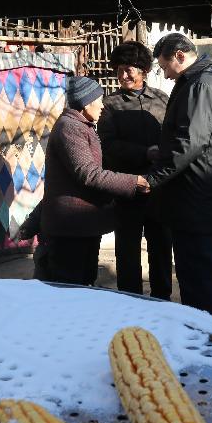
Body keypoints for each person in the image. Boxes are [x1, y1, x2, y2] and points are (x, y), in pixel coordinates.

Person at [143, 33, 212, 318]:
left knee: (197, 279)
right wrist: (161, 151)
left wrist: (154, 178)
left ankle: (207, 343)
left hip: (198, 197)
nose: (165, 74)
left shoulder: (202, 85)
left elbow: (190, 143)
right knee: (205, 277)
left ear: (180, 56)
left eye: (165, 67)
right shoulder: (202, 81)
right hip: (200, 194)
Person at [41, 75, 149, 286]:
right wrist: (132, 181)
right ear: (85, 103)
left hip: (82, 226)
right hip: (70, 229)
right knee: (70, 289)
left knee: (84, 284)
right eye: (99, 101)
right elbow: (88, 174)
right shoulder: (70, 128)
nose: (102, 107)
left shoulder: (82, 126)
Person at [97, 41, 173, 300]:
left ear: (143, 70)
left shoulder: (162, 100)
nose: (124, 75)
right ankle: (130, 299)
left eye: (129, 69)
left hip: (160, 187)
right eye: (119, 70)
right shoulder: (110, 104)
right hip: (127, 187)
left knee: (161, 246)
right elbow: (108, 145)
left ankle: (162, 297)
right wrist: (144, 152)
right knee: (127, 249)